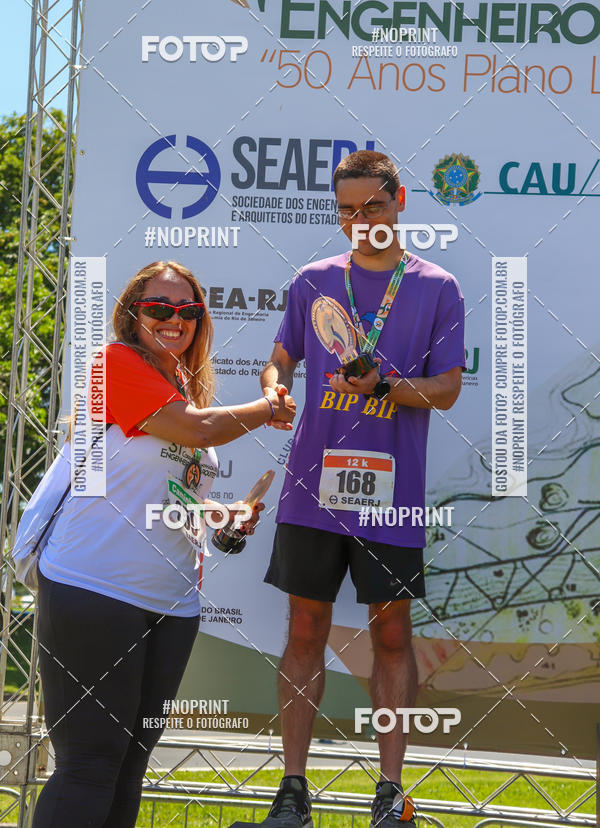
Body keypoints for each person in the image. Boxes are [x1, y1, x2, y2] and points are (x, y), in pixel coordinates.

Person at [33, 260, 295, 828]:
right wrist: (269, 406)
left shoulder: (183, 387)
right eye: (159, 309)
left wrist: (224, 521)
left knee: (129, 766)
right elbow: (200, 431)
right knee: (89, 764)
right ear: (132, 317)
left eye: (189, 311)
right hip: (94, 588)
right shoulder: (116, 363)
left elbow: (166, 495)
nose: (176, 320)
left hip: (171, 604)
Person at [259, 151, 465, 828]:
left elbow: (447, 390)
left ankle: (389, 790)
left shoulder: (438, 287)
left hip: (392, 495)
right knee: (306, 627)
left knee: (394, 634)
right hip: (311, 489)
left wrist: (382, 385)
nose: (360, 222)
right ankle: (293, 789)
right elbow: (280, 356)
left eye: (372, 207)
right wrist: (272, 389)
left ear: (399, 201)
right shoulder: (314, 281)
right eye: (346, 211)